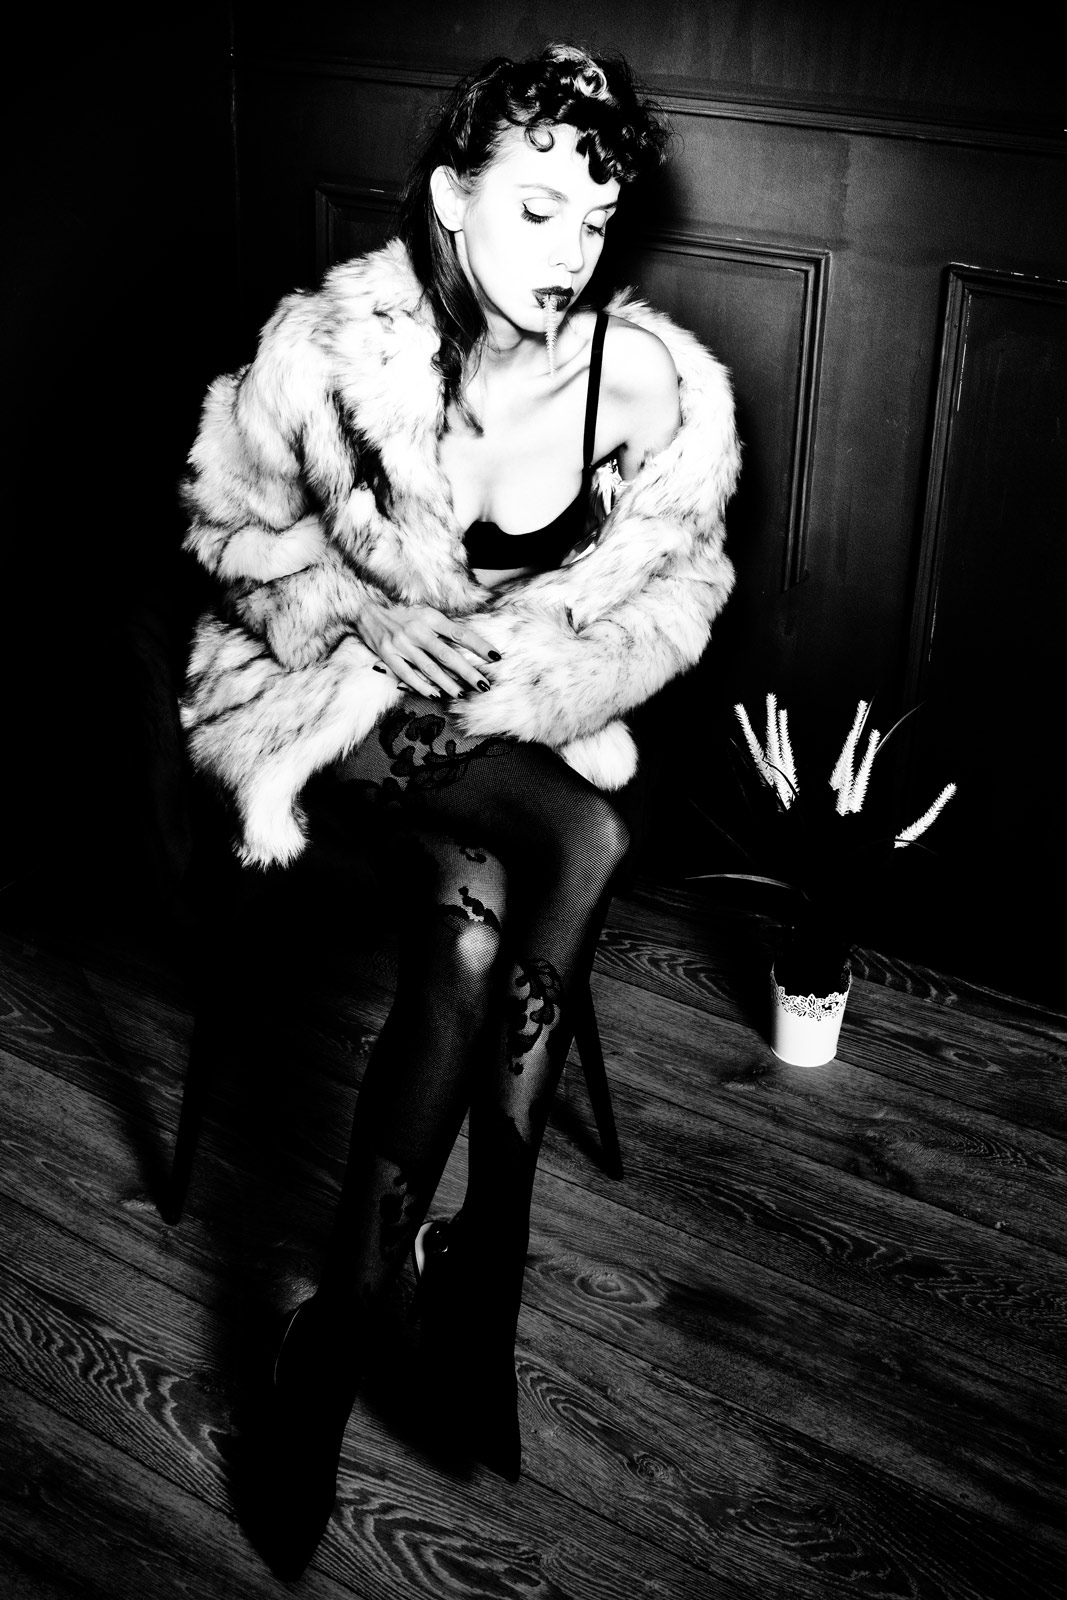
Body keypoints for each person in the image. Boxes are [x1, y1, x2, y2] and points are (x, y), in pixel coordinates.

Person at [179, 41, 739, 1576]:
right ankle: (467, 1269)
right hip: (320, 705)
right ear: (449, 195)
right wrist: (359, 613)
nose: (570, 253)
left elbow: (676, 590)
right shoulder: (329, 348)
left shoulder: (639, 378)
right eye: (537, 210)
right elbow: (226, 538)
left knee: (498, 902)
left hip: (489, 724)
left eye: (594, 221)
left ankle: (353, 1322)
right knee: (563, 852)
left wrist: (554, 662)